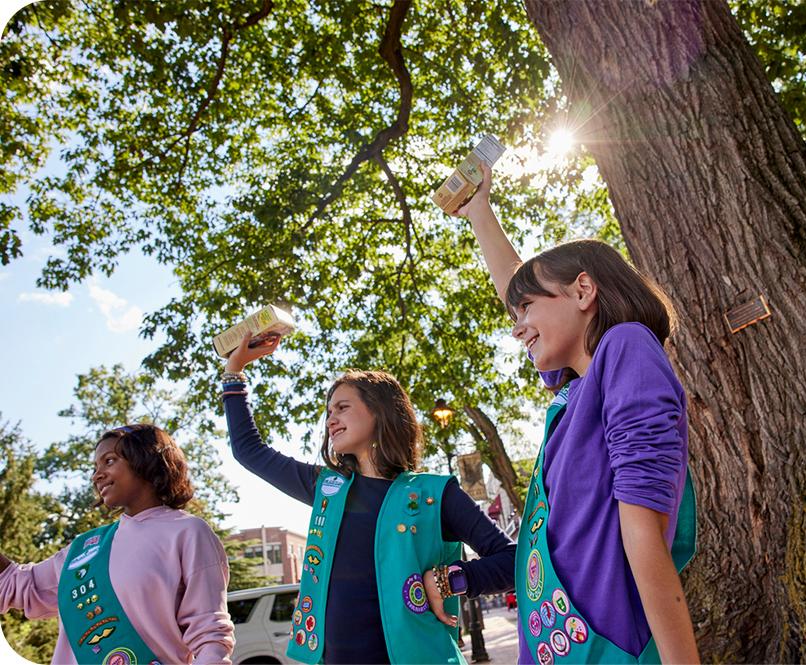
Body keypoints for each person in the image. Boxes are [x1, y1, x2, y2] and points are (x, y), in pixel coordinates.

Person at [456, 166, 698, 664]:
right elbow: (524, 299)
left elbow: (642, 528)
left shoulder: (625, 348)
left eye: (527, 308)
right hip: (557, 646)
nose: (518, 327)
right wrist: (478, 210)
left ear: (584, 291)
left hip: (606, 647)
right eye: (515, 313)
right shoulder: (574, 392)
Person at [221, 336, 515, 664]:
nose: (330, 419)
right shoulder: (325, 488)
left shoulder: (434, 494)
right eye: (328, 411)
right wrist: (234, 372)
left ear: (379, 412)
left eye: (342, 407)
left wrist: (449, 579)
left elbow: (514, 561)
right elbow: (249, 450)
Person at [0, 424, 234, 664]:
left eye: (109, 461)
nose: (96, 475)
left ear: (146, 459)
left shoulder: (188, 532)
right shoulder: (84, 549)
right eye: (95, 467)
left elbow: (211, 637)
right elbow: (15, 585)